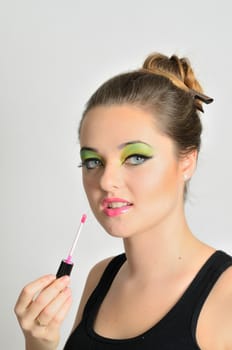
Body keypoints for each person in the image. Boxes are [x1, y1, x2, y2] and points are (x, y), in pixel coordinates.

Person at [15, 52, 232, 350]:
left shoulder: (227, 298)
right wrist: (38, 344)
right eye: (92, 162)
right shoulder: (100, 279)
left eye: (136, 157)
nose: (105, 181)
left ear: (186, 161)